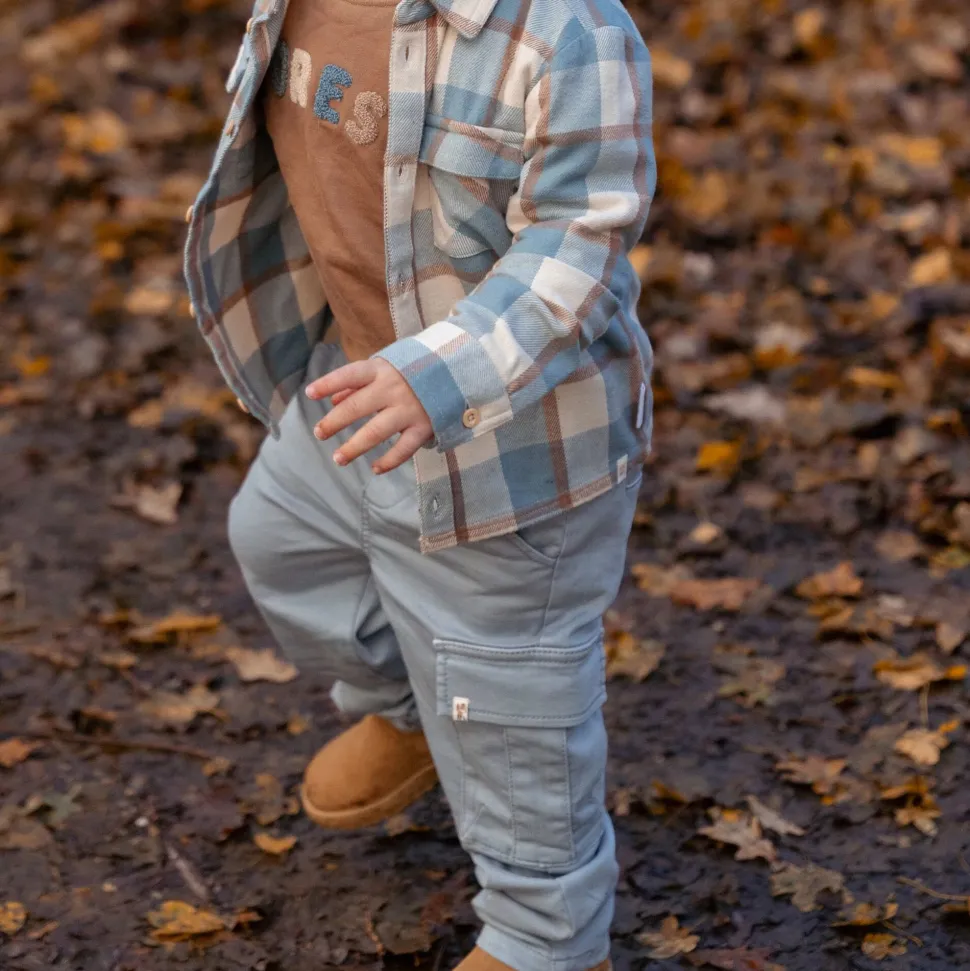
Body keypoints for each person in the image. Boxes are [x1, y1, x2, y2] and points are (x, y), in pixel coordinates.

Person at [184, 0, 655, 965]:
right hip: (355, 388)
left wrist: (435, 375)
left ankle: (544, 934)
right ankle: (407, 711)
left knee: (506, 697)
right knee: (279, 538)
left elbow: (582, 245)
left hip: (507, 450)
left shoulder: (567, 36)